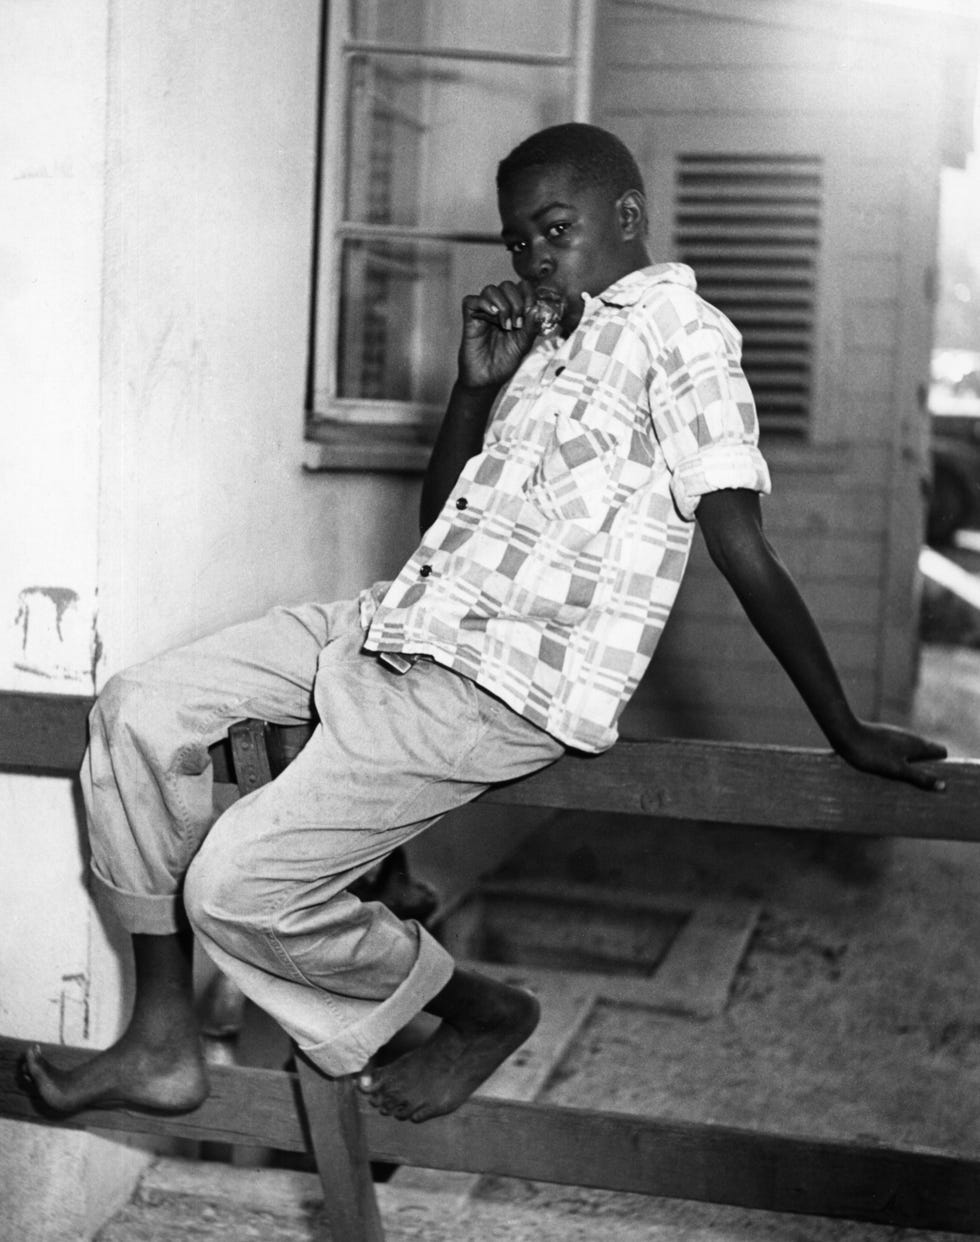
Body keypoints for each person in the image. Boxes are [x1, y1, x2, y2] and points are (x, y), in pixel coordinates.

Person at [23, 123, 946, 1125]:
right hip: (396, 624)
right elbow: (440, 528)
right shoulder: (553, 347)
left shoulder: (683, 335)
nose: (533, 258)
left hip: (490, 688)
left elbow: (739, 542)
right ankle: (163, 1037)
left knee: (235, 888)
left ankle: (477, 1010)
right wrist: (474, 386)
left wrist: (841, 727)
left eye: (553, 229)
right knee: (139, 711)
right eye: (516, 242)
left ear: (624, 215)